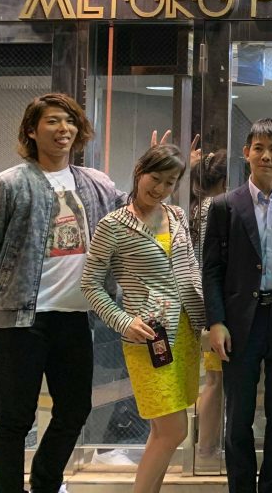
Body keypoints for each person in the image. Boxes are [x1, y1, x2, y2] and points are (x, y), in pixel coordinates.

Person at [0, 93, 125, 493]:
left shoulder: (96, 183)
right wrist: (1, 296)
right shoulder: (7, 184)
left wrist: (157, 167)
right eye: (53, 121)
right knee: (16, 419)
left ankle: (45, 484)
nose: (63, 129)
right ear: (31, 130)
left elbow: (131, 216)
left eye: (70, 121)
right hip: (22, 320)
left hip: (75, 317)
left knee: (75, 410)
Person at [80, 144, 205, 493]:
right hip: (149, 337)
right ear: (139, 172)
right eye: (156, 178)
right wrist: (123, 321)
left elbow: (191, 269)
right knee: (174, 430)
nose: (161, 188)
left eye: (170, 182)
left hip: (186, 332)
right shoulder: (114, 224)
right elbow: (90, 283)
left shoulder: (176, 215)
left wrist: (208, 319)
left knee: (163, 430)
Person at [202, 119, 272, 493]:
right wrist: (216, 321)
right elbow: (212, 269)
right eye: (259, 148)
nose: (266, 156)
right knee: (238, 417)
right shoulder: (224, 206)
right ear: (246, 153)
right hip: (240, 322)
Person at [189, 148, 228, 462]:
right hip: (213, 308)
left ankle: (206, 446)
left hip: (201, 306)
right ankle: (205, 449)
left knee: (213, 380)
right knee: (215, 381)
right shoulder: (215, 208)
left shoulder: (194, 208)